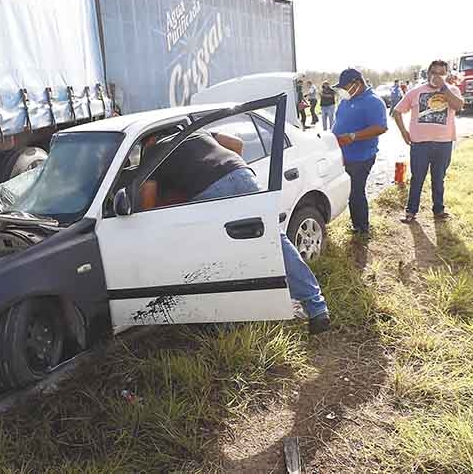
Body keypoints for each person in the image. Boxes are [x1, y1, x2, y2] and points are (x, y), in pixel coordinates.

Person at [140, 128, 331, 334]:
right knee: (275, 242)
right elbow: (238, 143)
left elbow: (148, 206)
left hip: (210, 192)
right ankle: (317, 308)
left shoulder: (153, 153)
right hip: (241, 173)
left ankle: (227, 323)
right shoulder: (196, 132)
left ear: (149, 140)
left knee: (219, 260)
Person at [392, 60, 464, 223]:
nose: (437, 76)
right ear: (428, 74)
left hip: (444, 143)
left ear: (446, 75)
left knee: (438, 178)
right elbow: (396, 112)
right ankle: (411, 211)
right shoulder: (415, 92)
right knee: (417, 178)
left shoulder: (452, 90)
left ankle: (438, 210)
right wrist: (404, 132)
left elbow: (458, 106)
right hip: (420, 144)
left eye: (441, 73)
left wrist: (444, 87)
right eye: (434, 73)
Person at [331, 68, 388, 235]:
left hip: (361, 156)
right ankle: (356, 224)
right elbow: (338, 122)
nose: (343, 91)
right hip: (343, 154)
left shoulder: (373, 101)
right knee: (348, 190)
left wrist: (354, 136)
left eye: (345, 87)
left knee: (356, 191)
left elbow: (380, 127)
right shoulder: (345, 101)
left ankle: (362, 228)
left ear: (357, 83)